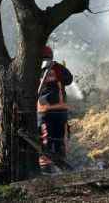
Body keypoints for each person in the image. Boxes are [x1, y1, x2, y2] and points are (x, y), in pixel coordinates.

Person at [37, 45, 73, 174]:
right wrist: (61, 68)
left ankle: (46, 168)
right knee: (60, 139)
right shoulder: (57, 67)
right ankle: (61, 165)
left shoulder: (33, 69)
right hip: (60, 111)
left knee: (46, 139)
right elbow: (69, 80)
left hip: (44, 111)